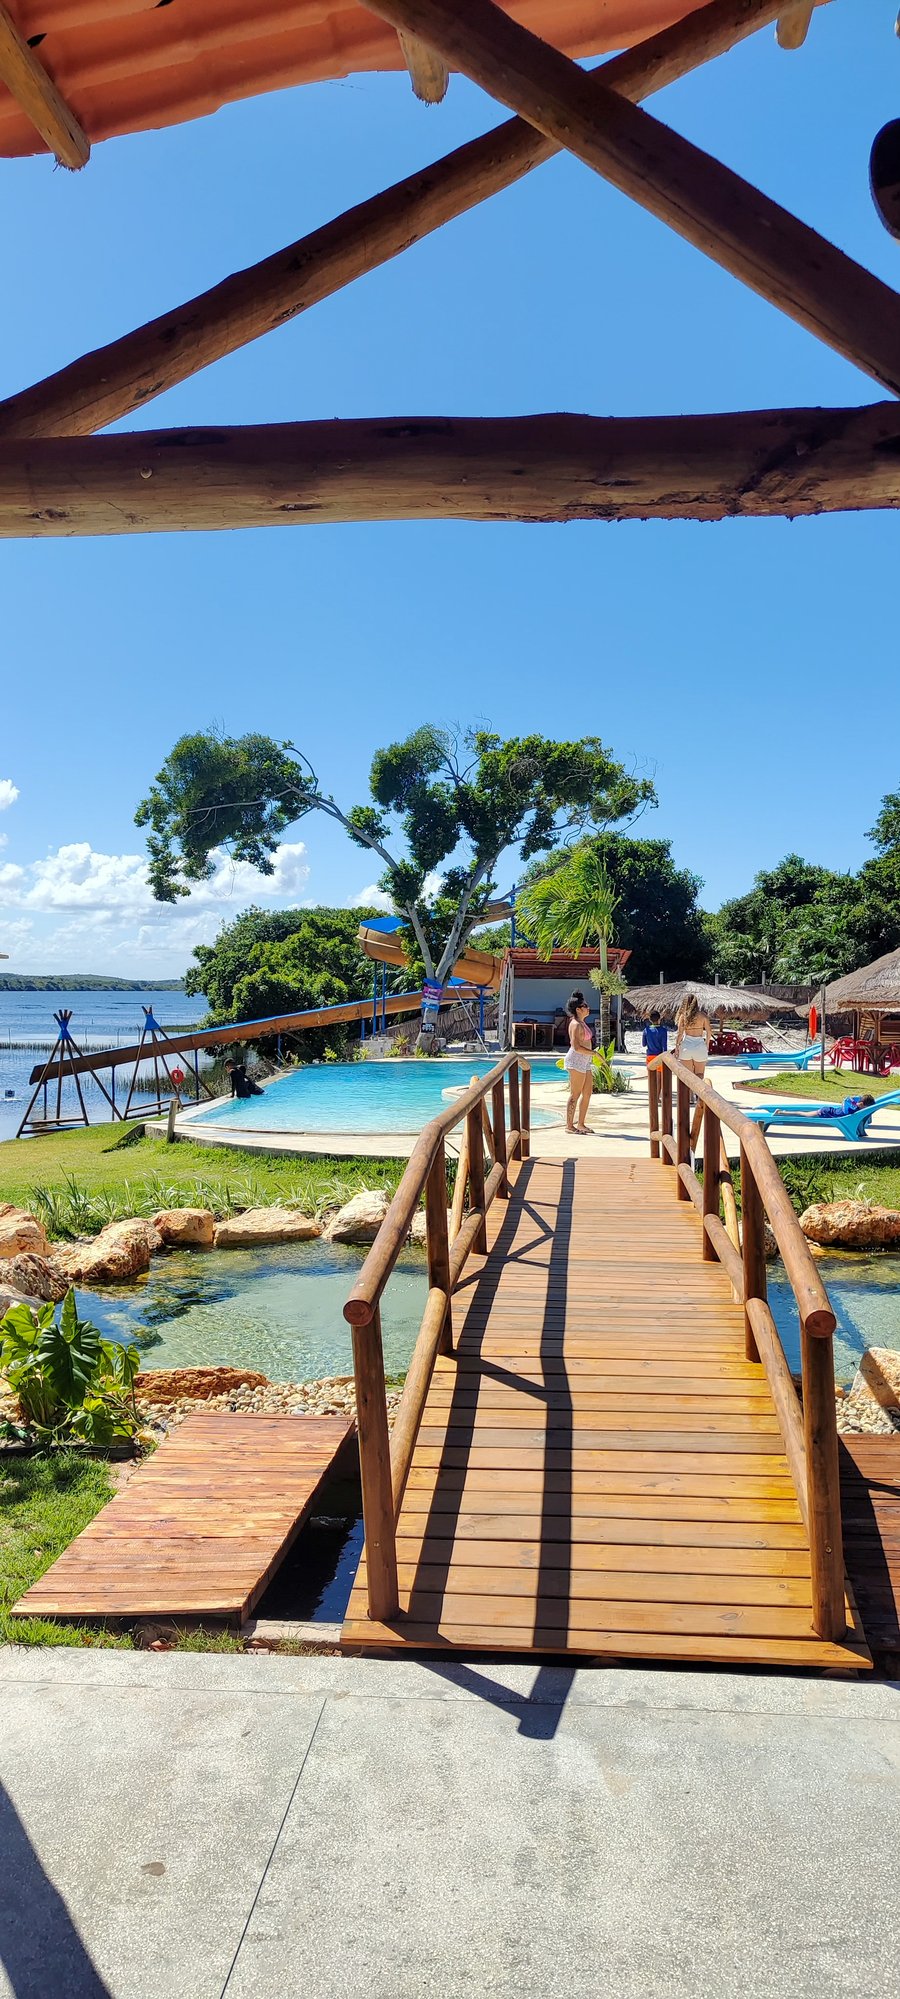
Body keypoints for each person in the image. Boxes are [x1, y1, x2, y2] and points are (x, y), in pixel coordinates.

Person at [563, 990, 594, 1134]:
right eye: (585, 1006)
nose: (588, 1008)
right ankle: (569, 1126)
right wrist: (594, 1053)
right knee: (575, 1094)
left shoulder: (582, 1022)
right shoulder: (575, 1024)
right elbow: (575, 1046)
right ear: (578, 1009)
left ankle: (581, 1123)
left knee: (587, 1093)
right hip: (576, 1061)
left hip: (585, 1061)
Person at [673, 996, 712, 1079]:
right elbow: (709, 1032)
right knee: (700, 1075)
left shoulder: (683, 1017)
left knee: (688, 1076)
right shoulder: (703, 1016)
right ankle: (698, 1088)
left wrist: (677, 1047)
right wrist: (707, 1044)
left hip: (686, 1047)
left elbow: (680, 1034)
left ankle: (688, 1088)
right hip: (700, 1047)